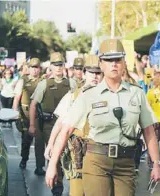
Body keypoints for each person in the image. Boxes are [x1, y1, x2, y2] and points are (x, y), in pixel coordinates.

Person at [45, 39, 160, 196]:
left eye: (118, 60)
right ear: (101, 64)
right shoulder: (88, 95)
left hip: (126, 162)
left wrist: (155, 163)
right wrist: (52, 165)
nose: (114, 64)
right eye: (108, 60)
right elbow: (66, 130)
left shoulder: (137, 93)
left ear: (124, 63)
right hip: (96, 161)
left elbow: (149, 131)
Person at [45, 54, 103, 196]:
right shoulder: (74, 95)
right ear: (84, 73)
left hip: (102, 154)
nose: (95, 76)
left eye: (98, 73)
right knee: (77, 191)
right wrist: (51, 145)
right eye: (91, 73)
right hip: (79, 152)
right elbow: (61, 123)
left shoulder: (110, 95)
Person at [29, 52, 71, 196]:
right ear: (51, 67)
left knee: (70, 155)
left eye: (60, 64)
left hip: (67, 125)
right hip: (49, 125)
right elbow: (33, 105)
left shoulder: (71, 83)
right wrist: (32, 125)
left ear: (64, 66)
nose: (58, 68)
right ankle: (57, 187)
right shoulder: (44, 84)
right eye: (55, 65)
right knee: (55, 155)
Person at [12, 58, 43, 173]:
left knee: (39, 142)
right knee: (26, 140)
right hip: (25, 115)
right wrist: (15, 112)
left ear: (40, 69)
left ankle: (39, 166)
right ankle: (24, 159)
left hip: (38, 115)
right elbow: (17, 98)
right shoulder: (23, 81)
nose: (35, 70)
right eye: (32, 67)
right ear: (29, 68)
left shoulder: (43, 81)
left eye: (37, 68)